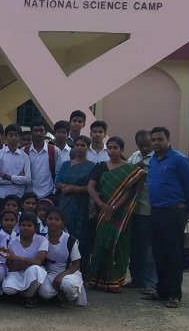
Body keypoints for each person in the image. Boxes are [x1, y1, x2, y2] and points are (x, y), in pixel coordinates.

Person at [85, 136, 144, 293]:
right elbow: (90, 187)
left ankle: (115, 281)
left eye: (115, 148)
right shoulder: (101, 167)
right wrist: (103, 205)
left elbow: (130, 191)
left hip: (121, 214)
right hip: (103, 213)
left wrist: (114, 207)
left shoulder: (130, 170)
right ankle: (96, 280)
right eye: (110, 148)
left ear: (122, 149)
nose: (112, 151)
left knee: (119, 246)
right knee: (100, 246)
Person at [146, 126, 189, 308]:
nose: (156, 143)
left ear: (168, 140)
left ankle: (174, 294)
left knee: (173, 253)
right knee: (159, 252)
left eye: (160, 139)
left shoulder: (179, 160)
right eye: (153, 140)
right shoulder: (153, 160)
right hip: (156, 211)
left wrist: (188, 210)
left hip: (174, 211)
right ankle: (162, 290)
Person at [55, 135, 95, 267]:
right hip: (64, 204)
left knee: (80, 235)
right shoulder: (66, 164)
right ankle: (61, 265)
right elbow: (57, 183)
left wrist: (72, 189)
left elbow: (91, 187)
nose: (79, 148)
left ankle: (79, 268)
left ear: (88, 148)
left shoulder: (92, 166)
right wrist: (65, 187)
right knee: (63, 233)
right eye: (77, 145)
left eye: (83, 145)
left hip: (81, 205)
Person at [126, 130, 158, 292]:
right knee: (135, 247)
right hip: (133, 210)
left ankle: (150, 282)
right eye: (141, 145)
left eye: (147, 144)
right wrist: (134, 169)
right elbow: (126, 175)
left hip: (149, 210)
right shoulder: (134, 156)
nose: (144, 148)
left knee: (149, 249)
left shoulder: (157, 158)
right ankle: (136, 279)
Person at [37, 208, 87, 306]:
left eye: (57, 219)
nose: (53, 221)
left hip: (69, 271)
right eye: (50, 218)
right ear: (45, 221)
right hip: (50, 272)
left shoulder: (70, 240)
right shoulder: (42, 239)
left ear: (62, 223)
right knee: (44, 292)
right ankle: (59, 294)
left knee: (68, 285)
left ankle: (69, 297)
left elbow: (76, 264)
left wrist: (61, 276)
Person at [0, 212, 48, 307]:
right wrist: (27, 264)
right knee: (8, 289)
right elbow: (9, 266)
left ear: (35, 227)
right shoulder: (13, 242)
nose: (26, 228)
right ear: (19, 226)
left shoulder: (42, 240)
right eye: (23, 225)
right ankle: (22, 294)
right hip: (17, 272)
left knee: (36, 270)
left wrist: (18, 258)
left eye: (29, 225)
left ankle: (29, 296)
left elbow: (38, 261)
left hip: (33, 271)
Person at [0, 123, 32, 200]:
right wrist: (17, 180)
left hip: (18, 197)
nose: (13, 137)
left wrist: (8, 177)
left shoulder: (25, 156)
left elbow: (27, 179)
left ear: (20, 137)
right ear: (5, 137)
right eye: (11, 135)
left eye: (16, 135)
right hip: (2, 196)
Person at [26, 120, 57, 200]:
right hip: (28, 194)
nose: (38, 133)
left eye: (41, 130)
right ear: (31, 132)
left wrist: (54, 192)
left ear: (45, 132)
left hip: (48, 193)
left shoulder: (54, 150)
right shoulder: (24, 151)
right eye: (35, 130)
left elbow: (58, 172)